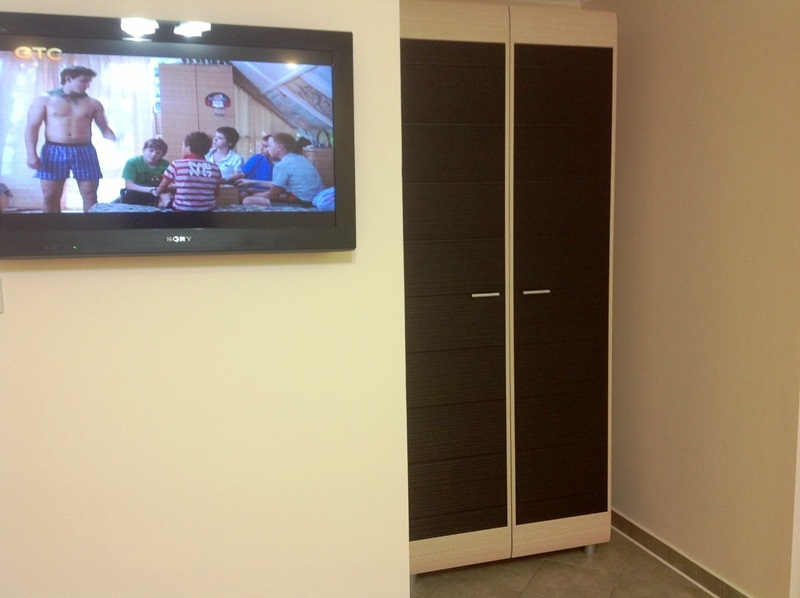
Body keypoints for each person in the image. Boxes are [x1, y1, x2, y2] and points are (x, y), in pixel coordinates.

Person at [24, 65, 116, 213]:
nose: (87, 85)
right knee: (50, 196)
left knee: (90, 195)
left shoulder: (93, 103)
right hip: (53, 150)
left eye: (89, 81)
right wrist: (31, 154)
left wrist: (115, 139)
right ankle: (52, 227)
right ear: (68, 79)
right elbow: (32, 127)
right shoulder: (45, 99)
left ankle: (92, 228)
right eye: (83, 81)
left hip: (84, 150)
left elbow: (104, 129)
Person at [243, 132, 323, 208]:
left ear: (280, 147)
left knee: (247, 200)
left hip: (302, 202)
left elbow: (272, 194)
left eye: (269, 146)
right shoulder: (300, 158)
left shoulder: (281, 165)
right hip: (316, 198)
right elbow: (278, 185)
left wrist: (254, 195)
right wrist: (252, 182)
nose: (267, 149)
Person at [155, 131, 222, 212]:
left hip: (182, 209)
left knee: (163, 195)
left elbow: (161, 188)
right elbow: (216, 193)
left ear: (188, 147)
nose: (181, 148)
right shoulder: (215, 168)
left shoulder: (176, 164)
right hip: (208, 209)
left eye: (182, 145)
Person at [118, 138, 170, 206]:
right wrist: (150, 190)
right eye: (151, 150)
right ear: (143, 150)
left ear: (162, 156)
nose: (153, 154)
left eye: (158, 153)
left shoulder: (165, 165)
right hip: (136, 193)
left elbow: (170, 184)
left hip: (157, 193)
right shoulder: (132, 162)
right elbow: (129, 185)